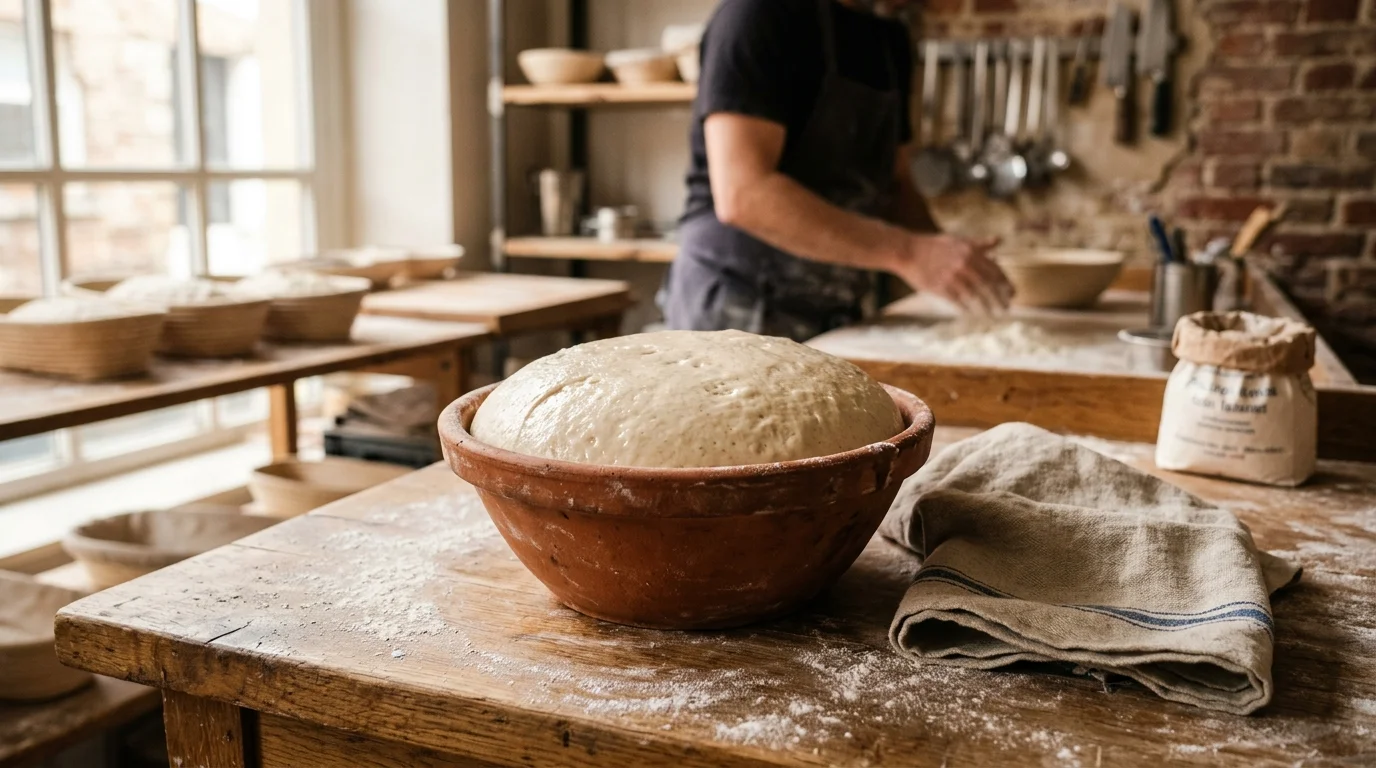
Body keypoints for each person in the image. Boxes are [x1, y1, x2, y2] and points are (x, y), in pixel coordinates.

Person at [660, 0, 1012, 342]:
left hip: (831, 308)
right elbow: (745, 195)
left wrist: (953, 262)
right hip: (736, 303)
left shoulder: (889, 40)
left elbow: (898, 183)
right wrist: (909, 252)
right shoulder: (758, 15)